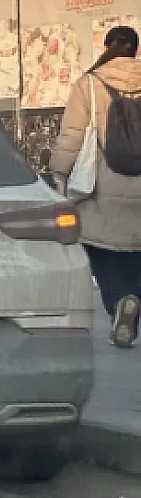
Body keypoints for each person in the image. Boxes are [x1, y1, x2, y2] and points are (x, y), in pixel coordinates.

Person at [50, 25, 141, 347]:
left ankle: (119, 301)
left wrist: (57, 174)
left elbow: (72, 136)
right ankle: (133, 299)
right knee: (136, 252)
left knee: (99, 249)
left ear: (107, 46)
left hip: (101, 187)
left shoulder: (89, 84)